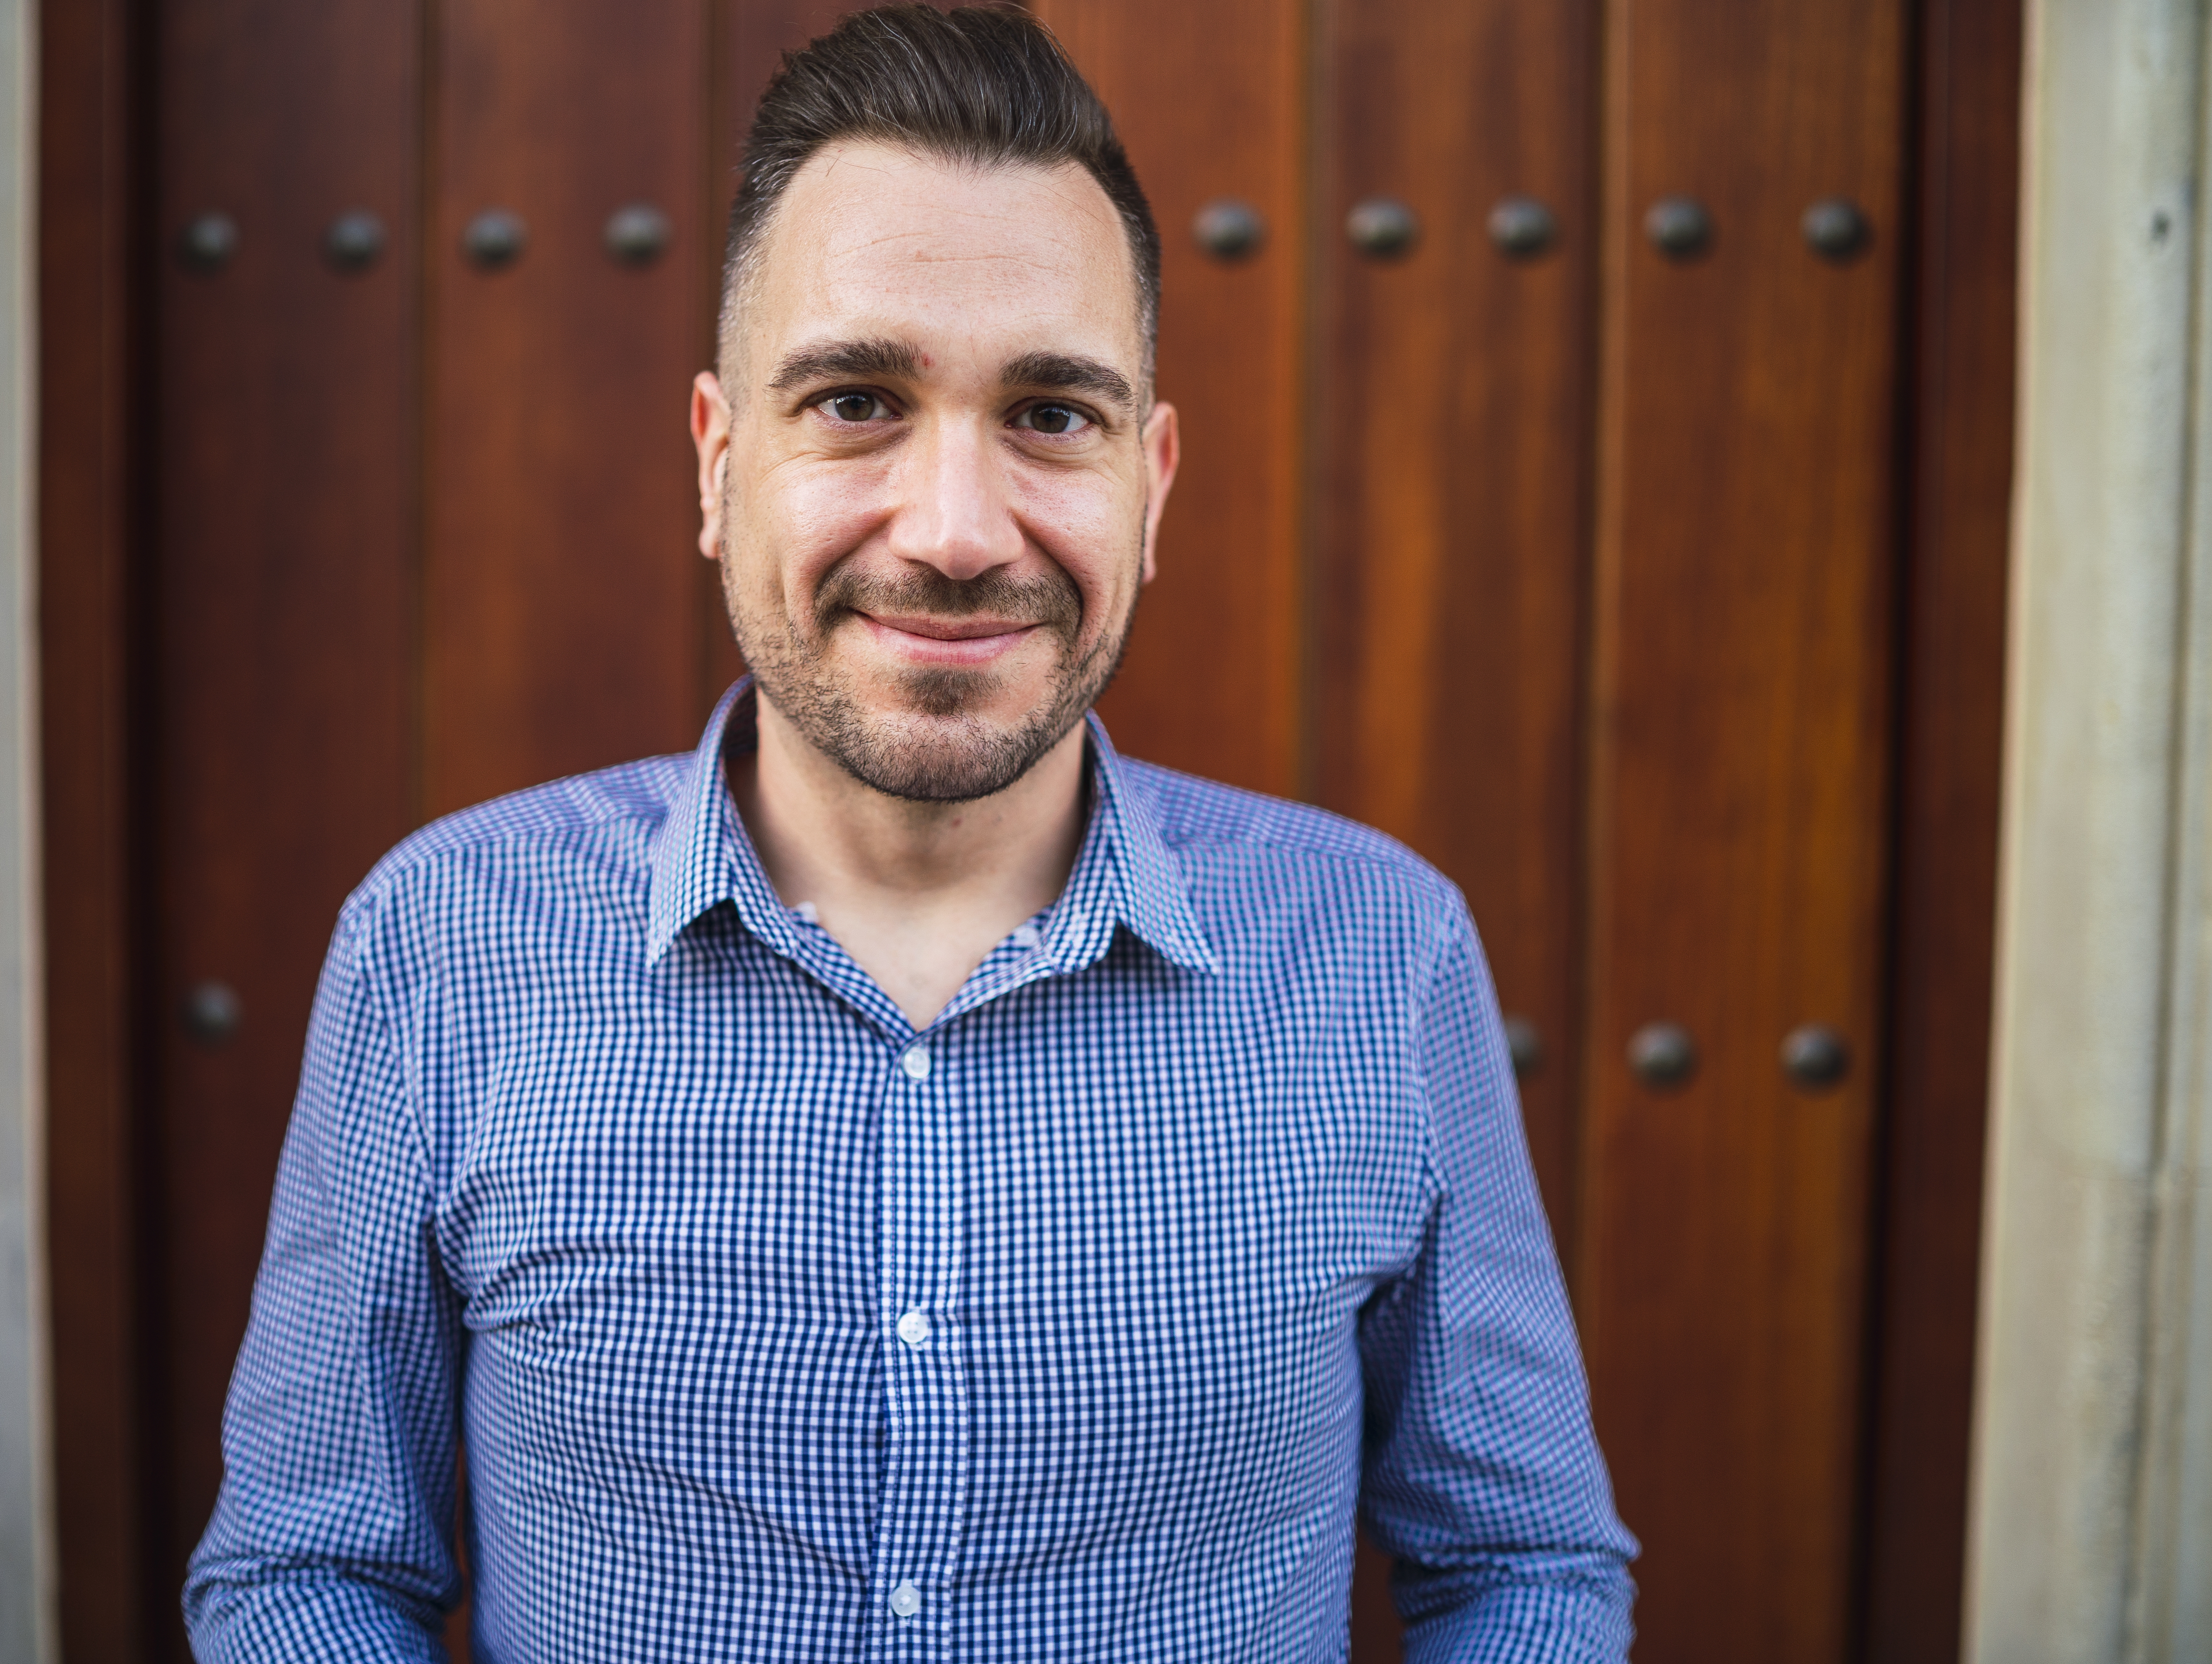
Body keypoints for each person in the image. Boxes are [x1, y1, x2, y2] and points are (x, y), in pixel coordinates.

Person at [183, 7, 1636, 1659]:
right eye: (860, 399)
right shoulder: (441, 944)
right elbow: (311, 1574)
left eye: (1054, 415)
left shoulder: (1386, 958)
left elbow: (1524, 1571)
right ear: (722, 465)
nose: (953, 532)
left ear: (1152, 485)